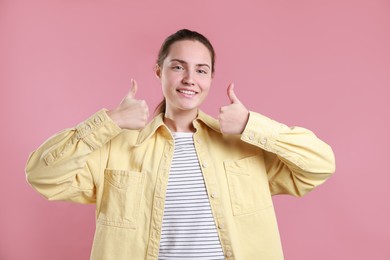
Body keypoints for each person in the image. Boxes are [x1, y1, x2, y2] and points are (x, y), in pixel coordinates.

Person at [26, 29, 336, 260]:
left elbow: (321, 165)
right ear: (159, 71)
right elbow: (42, 174)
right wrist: (109, 122)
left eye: (201, 70)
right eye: (178, 66)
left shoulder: (246, 144)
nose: (190, 78)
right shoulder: (116, 147)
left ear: (211, 78)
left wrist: (251, 125)